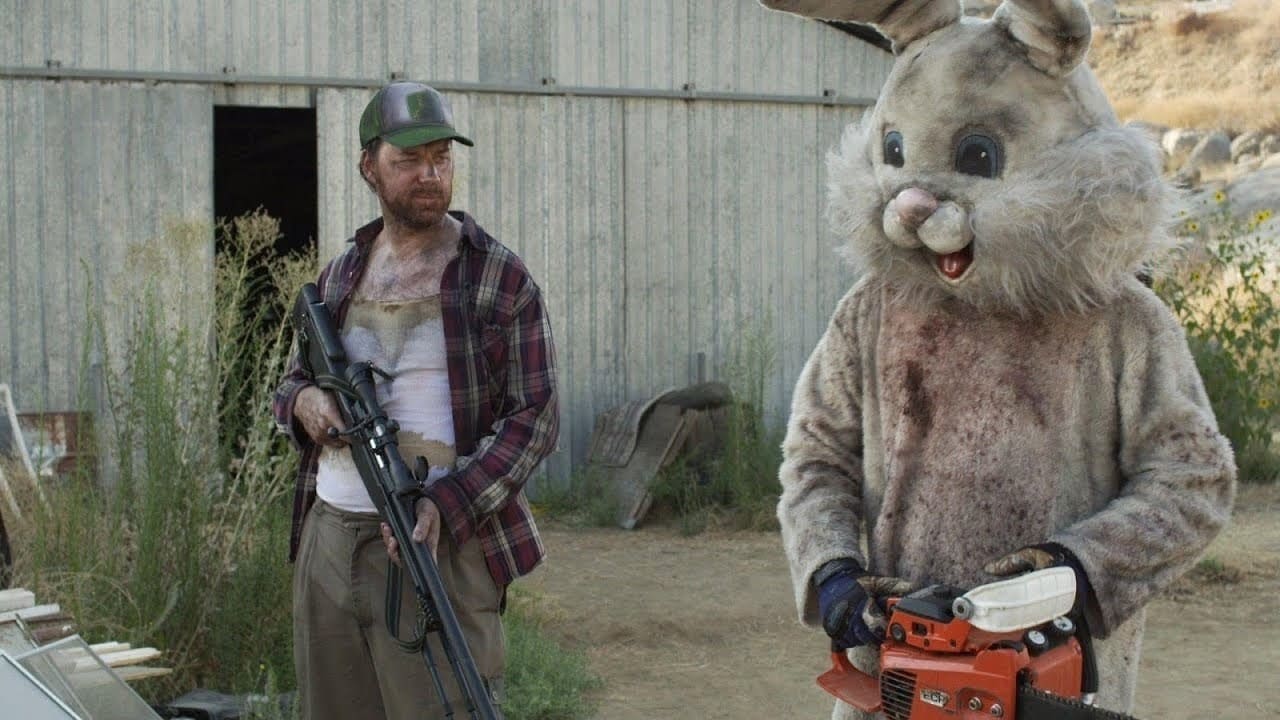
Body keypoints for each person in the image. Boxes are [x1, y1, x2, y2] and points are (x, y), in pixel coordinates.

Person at [273, 81, 559, 720]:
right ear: (369, 167)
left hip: (437, 543)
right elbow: (291, 383)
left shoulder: (497, 276)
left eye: (441, 157)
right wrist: (308, 404)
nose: (430, 175)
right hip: (329, 541)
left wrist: (446, 503)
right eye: (409, 160)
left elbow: (535, 418)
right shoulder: (341, 275)